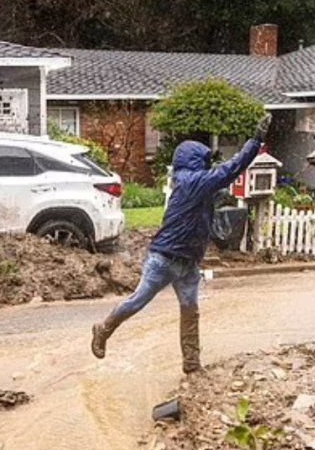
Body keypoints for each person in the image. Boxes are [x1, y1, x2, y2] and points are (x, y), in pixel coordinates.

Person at [91, 114, 273, 373]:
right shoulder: (192, 182)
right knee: (137, 301)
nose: (209, 165)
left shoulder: (193, 183)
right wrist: (255, 141)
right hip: (164, 259)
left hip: (187, 262)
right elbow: (229, 170)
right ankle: (103, 329)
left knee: (190, 312)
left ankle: (191, 365)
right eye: (205, 160)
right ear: (194, 161)